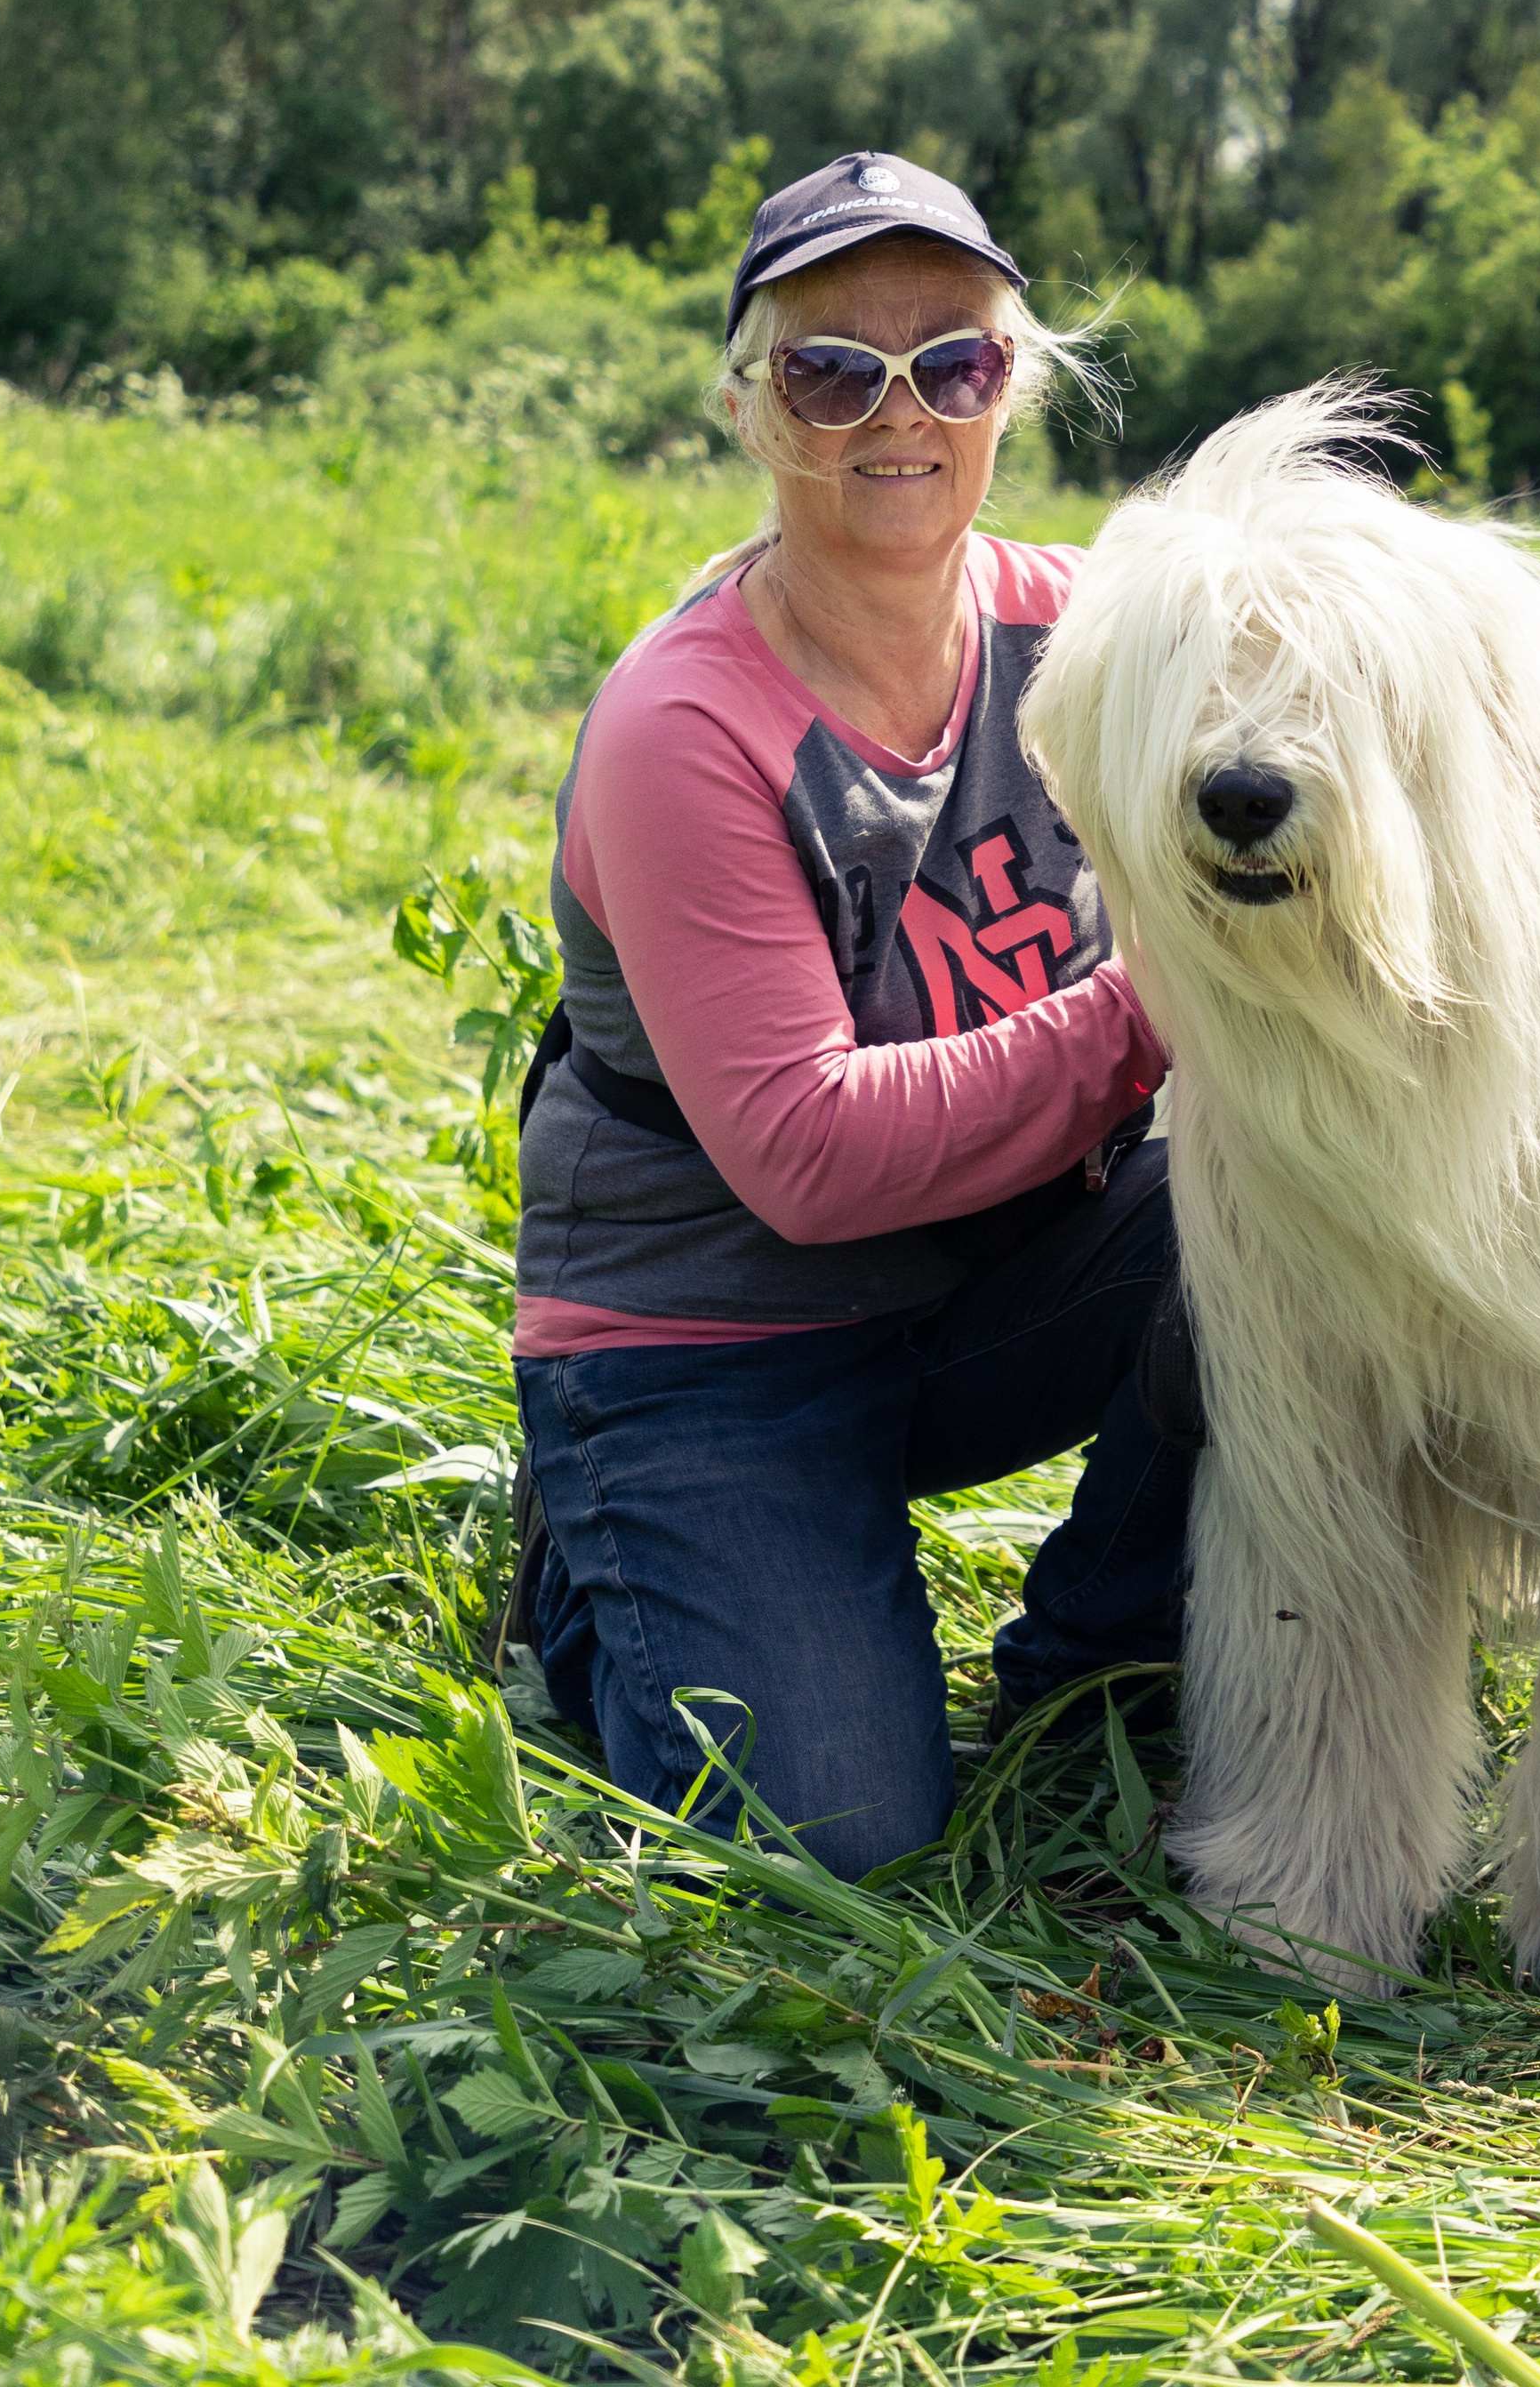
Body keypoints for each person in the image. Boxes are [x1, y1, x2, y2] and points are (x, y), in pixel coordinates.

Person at [509, 148, 1196, 1875]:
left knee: (1246, 1224)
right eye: (831, 370)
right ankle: (599, 1563)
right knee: (835, 1851)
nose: (899, 414)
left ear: (1009, 387)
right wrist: (1166, 999)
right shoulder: (688, 728)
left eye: (951, 361)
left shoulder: (1090, 633)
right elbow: (805, 1159)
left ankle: (1093, 1677)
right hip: (717, 1347)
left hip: (983, 1287)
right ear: (748, 406)